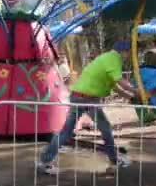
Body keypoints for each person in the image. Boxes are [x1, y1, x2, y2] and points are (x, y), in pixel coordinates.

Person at [37, 41, 135, 175]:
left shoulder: (106, 58)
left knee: (66, 132)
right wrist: (137, 91)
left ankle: (44, 161)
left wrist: (132, 96)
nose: (129, 55)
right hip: (88, 99)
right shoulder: (115, 59)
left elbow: (115, 86)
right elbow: (119, 81)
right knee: (105, 128)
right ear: (124, 51)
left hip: (77, 96)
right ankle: (114, 160)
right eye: (129, 52)